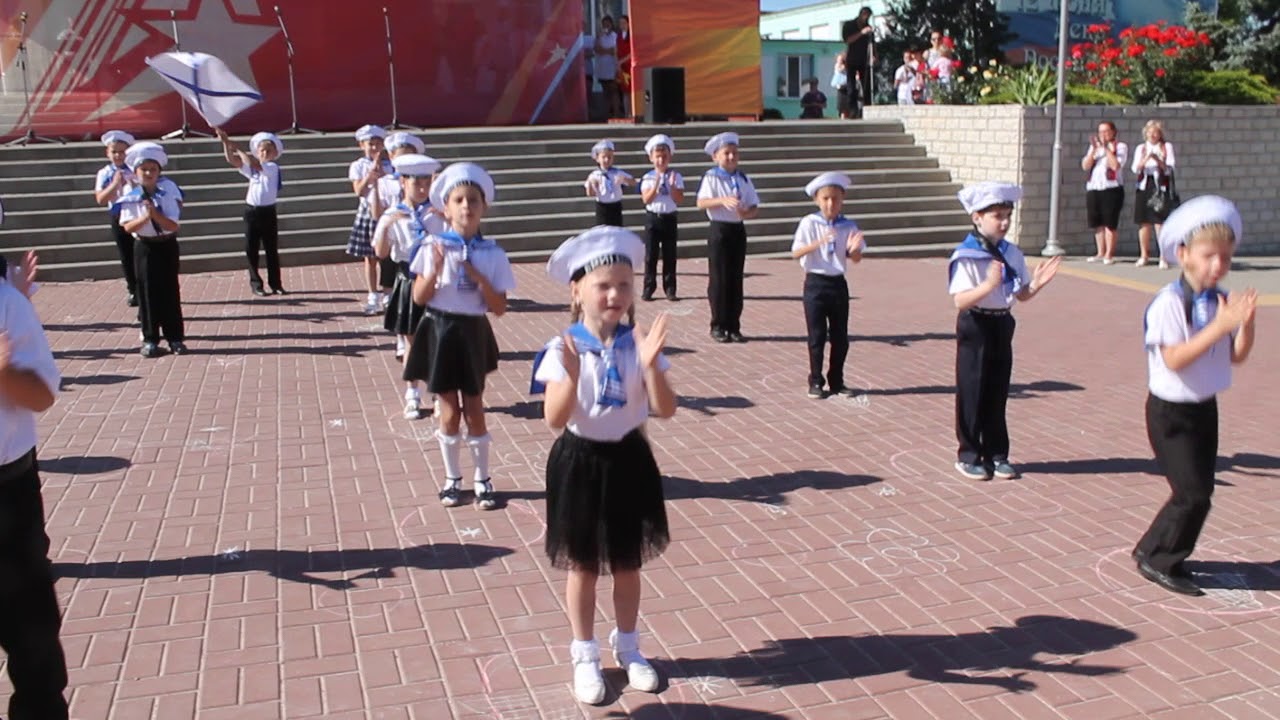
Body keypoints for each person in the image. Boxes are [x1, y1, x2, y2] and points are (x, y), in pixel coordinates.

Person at [530, 226, 677, 706]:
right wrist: (571, 378)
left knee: (628, 562)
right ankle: (584, 653)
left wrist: (653, 366)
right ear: (577, 292)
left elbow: (665, 408)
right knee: (585, 566)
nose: (615, 294)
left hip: (629, 457)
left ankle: (629, 646)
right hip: (581, 461)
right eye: (603, 285)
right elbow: (554, 418)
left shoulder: (639, 343)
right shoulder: (564, 348)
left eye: (625, 284)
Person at [1134, 196, 1256, 596]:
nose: (1218, 266)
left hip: (1204, 406)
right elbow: (1174, 358)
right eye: (1209, 257)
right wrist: (1221, 326)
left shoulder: (1216, 301)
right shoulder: (1171, 302)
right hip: (1172, 412)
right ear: (1183, 254)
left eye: (1226, 258)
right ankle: (1159, 557)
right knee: (1192, 494)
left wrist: (1245, 324)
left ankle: (1155, 549)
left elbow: (1236, 356)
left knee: (1201, 491)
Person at [406, 163, 515, 510]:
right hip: (440, 329)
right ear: (446, 208)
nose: (466, 206)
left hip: (471, 331)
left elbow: (499, 307)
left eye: (473, 200)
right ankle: (452, 478)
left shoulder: (493, 254)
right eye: (459, 200)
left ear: (484, 207)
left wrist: (480, 278)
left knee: (475, 408)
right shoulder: (433, 246)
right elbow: (419, 298)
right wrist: (436, 268)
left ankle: (483, 478)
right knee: (448, 411)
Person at [948, 182, 1061, 481]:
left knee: (997, 391)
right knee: (973, 390)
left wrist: (1036, 284)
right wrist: (986, 286)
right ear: (977, 218)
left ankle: (997, 454)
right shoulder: (967, 254)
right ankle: (969, 454)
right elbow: (960, 299)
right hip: (975, 322)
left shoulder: (1012, 253)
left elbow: (1020, 294)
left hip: (1001, 322)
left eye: (1008, 215)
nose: (1004, 222)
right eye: (997, 215)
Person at [0, 250, 71, 720]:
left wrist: (3, 372)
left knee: (33, 645)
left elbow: (41, 394)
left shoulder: (5, 303)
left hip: (7, 499)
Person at [372, 153, 443, 420]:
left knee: (436, 338)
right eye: (417, 183)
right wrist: (386, 226)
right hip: (407, 278)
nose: (423, 188)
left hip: (435, 279)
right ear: (403, 182)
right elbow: (380, 252)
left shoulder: (436, 213)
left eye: (427, 182)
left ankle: (437, 391)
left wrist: (446, 216)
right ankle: (412, 392)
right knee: (411, 339)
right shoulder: (394, 214)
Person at [791, 172, 865, 399]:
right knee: (817, 335)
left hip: (837, 284)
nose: (831, 203)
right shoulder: (809, 223)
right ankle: (815, 380)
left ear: (842, 200)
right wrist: (818, 243)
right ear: (817, 200)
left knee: (840, 336)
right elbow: (796, 252)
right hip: (815, 283)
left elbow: (856, 257)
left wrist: (854, 250)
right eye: (825, 199)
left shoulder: (848, 225)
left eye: (835, 198)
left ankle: (837, 380)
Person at [117, 142, 187, 358]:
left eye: (153, 169)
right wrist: (146, 217)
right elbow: (127, 227)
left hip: (166, 244)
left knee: (170, 291)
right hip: (145, 246)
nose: (148, 173)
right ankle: (150, 339)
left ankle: (175, 338)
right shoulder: (131, 195)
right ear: (136, 172)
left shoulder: (167, 192)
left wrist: (156, 215)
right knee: (147, 293)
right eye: (144, 169)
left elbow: (173, 225)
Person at [696, 132, 760, 344]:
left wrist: (746, 213)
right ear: (716, 157)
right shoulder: (712, 177)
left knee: (735, 278)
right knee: (719, 278)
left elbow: (754, 205)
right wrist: (722, 200)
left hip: (737, 229)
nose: (731, 157)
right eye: (726, 153)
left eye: (734, 153)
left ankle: (734, 325)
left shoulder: (743, 178)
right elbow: (701, 202)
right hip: (719, 229)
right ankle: (718, 324)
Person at [215, 129, 286, 296]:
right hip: (252, 211)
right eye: (262, 150)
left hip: (268, 211)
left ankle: (275, 283)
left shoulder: (272, 167)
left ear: (275, 153)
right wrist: (226, 143)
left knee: (271, 249)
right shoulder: (253, 170)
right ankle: (256, 283)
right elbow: (234, 161)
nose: (265, 153)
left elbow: (253, 163)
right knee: (251, 248)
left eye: (269, 150)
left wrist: (236, 146)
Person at [346, 125, 394, 314]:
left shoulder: (390, 164)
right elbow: (359, 191)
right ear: (362, 145)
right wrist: (370, 176)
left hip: (387, 212)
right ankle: (372, 294)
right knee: (370, 258)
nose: (374, 148)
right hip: (367, 213)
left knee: (388, 257)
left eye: (377, 144)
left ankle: (388, 293)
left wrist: (384, 173)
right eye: (370, 144)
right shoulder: (358, 165)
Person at [92, 130, 139, 307]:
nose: (118, 156)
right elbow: (100, 199)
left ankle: (145, 287)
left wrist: (131, 184)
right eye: (114, 152)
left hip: (136, 214)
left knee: (140, 253)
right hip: (118, 215)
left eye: (122, 151)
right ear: (108, 153)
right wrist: (114, 183)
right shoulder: (104, 173)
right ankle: (133, 289)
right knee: (126, 255)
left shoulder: (136, 169)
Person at [639, 134, 684, 302]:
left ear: (670, 157)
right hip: (653, 218)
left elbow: (679, 199)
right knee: (651, 255)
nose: (661, 160)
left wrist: (671, 186)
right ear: (651, 158)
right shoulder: (648, 177)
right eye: (657, 157)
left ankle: (670, 288)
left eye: (664, 156)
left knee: (669, 254)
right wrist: (657, 184)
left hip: (669, 218)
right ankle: (648, 287)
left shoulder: (676, 176)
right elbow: (646, 199)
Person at [1131, 120, 1176, 269]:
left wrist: (1158, 160)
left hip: (1160, 186)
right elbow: (1135, 169)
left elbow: (1169, 169)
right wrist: (1145, 159)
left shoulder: (1166, 147)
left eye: (1156, 132)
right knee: (1144, 222)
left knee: (1159, 222)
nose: (1153, 135)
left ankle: (1164, 256)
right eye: (1150, 132)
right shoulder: (1141, 148)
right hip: (1144, 185)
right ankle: (1144, 255)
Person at [1082, 121, 1128, 264]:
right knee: (1097, 222)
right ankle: (1100, 252)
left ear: (1113, 132)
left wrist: (1106, 149)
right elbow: (1085, 166)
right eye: (1100, 132)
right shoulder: (1093, 147)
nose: (1103, 134)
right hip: (1094, 187)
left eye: (1106, 131)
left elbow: (1115, 165)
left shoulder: (1120, 146)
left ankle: (1109, 253)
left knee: (1110, 222)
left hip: (1111, 187)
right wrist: (1094, 151)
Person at [584, 140, 635, 228]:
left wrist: (625, 180)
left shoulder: (618, 172)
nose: (607, 160)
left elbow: (633, 182)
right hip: (602, 207)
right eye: (604, 157)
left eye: (610, 157)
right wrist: (591, 186)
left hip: (615, 206)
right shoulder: (594, 175)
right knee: (602, 231)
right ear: (597, 158)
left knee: (617, 230)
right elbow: (590, 194)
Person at [841, 6, 875, 110]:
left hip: (864, 60)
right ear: (861, 14)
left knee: (867, 86)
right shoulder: (849, 25)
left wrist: (874, 55)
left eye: (868, 17)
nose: (866, 19)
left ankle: (867, 107)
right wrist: (861, 33)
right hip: (852, 59)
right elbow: (847, 40)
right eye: (865, 16)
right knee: (851, 87)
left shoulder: (867, 27)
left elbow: (872, 43)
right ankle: (852, 109)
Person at [594, 16, 622, 120]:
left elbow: (614, 50)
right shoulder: (600, 37)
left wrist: (604, 51)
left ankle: (617, 113)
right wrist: (598, 39)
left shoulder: (615, 36)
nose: (606, 26)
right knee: (606, 92)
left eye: (608, 24)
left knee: (614, 91)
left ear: (611, 24)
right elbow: (597, 49)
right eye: (604, 24)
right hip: (602, 69)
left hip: (612, 68)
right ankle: (607, 114)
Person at [616, 15, 633, 118]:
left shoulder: (631, 36)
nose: (622, 25)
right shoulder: (618, 36)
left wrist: (622, 61)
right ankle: (627, 114)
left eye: (624, 23)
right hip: (622, 68)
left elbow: (632, 52)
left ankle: (632, 113)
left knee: (631, 91)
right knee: (624, 91)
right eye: (620, 23)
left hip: (629, 66)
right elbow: (616, 50)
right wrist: (617, 63)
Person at [832, 53, 851, 120]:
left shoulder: (846, 66)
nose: (839, 60)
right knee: (841, 105)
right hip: (840, 87)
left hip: (846, 87)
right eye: (838, 59)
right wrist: (844, 66)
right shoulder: (837, 65)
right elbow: (839, 70)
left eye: (840, 59)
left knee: (847, 105)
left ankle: (847, 116)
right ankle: (842, 118)